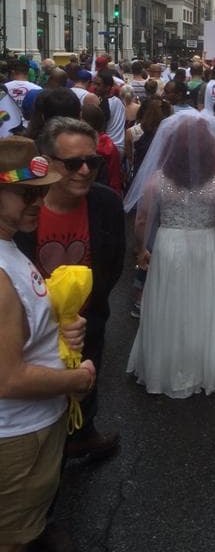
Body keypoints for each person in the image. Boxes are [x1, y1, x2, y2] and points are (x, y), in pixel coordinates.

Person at [0, 137, 94, 551]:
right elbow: (8, 379)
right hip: (18, 437)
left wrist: (58, 332)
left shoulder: (10, 250)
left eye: (39, 190)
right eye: (25, 192)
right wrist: (77, 379)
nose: (37, 201)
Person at [16, 118, 125, 461]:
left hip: (88, 318)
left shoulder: (105, 204)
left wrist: (93, 306)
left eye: (92, 162)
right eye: (73, 163)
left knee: (87, 377)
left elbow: (113, 261)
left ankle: (82, 432)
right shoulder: (24, 208)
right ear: (45, 162)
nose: (84, 170)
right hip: (31, 330)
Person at [124, 112, 215, 396]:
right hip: (204, 245)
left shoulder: (157, 180)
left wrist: (142, 249)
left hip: (169, 243)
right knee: (200, 303)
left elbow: (142, 220)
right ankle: (197, 366)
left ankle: (162, 366)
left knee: (167, 300)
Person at [93, 71, 126, 155]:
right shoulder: (118, 101)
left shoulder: (104, 103)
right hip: (120, 146)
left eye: (98, 84)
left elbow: (101, 128)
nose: (94, 87)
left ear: (107, 87)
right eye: (94, 83)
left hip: (108, 148)